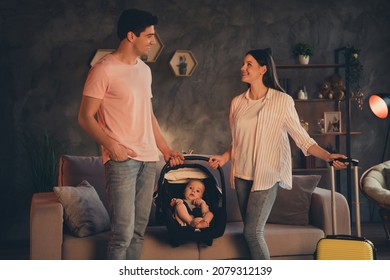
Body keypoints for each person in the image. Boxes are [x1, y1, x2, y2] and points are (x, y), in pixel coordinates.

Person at [208, 48, 348, 260]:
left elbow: (302, 138)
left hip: (267, 174)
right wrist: (225, 157)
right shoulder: (237, 103)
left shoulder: (282, 101)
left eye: (249, 64)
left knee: (252, 232)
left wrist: (328, 156)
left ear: (263, 69)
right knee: (251, 233)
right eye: (243, 64)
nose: (243, 68)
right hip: (242, 175)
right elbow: (237, 140)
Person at [78, 8, 184, 260]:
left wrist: (165, 149)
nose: (152, 41)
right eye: (149, 36)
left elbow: (148, 115)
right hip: (122, 161)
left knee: (138, 231)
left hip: (149, 160)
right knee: (122, 233)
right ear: (130, 36)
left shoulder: (144, 71)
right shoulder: (103, 70)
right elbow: (84, 117)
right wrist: (111, 145)